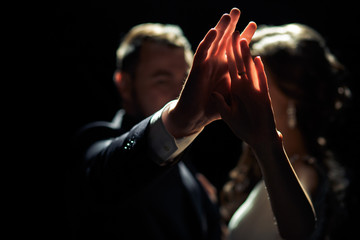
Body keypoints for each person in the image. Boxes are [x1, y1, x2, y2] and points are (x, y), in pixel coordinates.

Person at [70, 7, 316, 239]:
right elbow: (106, 173)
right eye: (162, 79)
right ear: (124, 83)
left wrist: (266, 144)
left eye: (187, 79)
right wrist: (177, 119)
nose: (181, 92)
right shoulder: (97, 143)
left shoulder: (193, 176)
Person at [219, 23, 351, 239]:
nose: (239, 89)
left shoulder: (301, 172)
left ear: (294, 97)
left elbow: (297, 231)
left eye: (257, 81)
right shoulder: (272, 166)